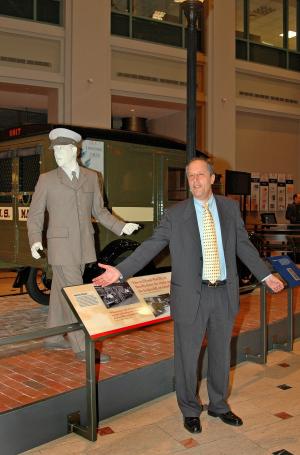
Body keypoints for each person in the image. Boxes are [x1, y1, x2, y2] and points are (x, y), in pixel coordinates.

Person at [92, 157, 284, 433]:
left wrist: (265, 274)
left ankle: (219, 405)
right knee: (187, 356)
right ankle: (190, 409)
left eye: (200, 175)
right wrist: (120, 272)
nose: (195, 181)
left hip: (223, 293)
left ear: (212, 178)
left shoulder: (230, 209)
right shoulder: (176, 214)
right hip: (190, 296)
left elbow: (244, 246)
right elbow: (151, 246)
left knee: (220, 353)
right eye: (190, 176)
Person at [27, 127, 139, 362]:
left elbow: (99, 210)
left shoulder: (91, 177)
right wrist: (35, 239)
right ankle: (81, 346)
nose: (56, 153)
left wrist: (121, 227)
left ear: (73, 150)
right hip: (61, 248)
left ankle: (53, 337)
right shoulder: (47, 179)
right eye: (55, 150)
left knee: (61, 292)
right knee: (76, 294)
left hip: (84, 244)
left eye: (60, 149)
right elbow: (35, 214)